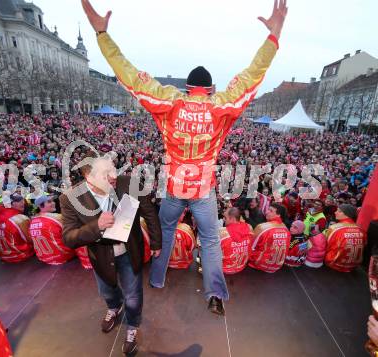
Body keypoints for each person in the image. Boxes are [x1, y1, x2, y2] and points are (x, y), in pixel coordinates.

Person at [80, 0, 288, 315]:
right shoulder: (222, 106)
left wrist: (102, 35)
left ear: (189, 88)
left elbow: (131, 77)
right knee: (210, 240)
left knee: (165, 230)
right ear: (209, 88)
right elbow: (251, 77)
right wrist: (273, 38)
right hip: (202, 190)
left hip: (175, 187)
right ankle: (215, 295)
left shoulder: (170, 103)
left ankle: (158, 280)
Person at [60, 152, 162, 355]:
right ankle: (114, 308)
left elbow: (149, 212)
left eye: (113, 169)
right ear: (89, 177)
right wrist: (95, 226)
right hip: (101, 255)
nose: (114, 176)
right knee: (107, 290)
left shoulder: (129, 183)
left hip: (129, 249)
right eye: (106, 173)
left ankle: (132, 326)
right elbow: (68, 238)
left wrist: (156, 242)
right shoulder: (70, 198)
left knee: (133, 296)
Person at [0, 193, 34, 263]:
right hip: (20, 256)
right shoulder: (20, 218)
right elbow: (32, 239)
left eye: (22, 200)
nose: (22, 202)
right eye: (18, 201)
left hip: (1, 256)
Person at [29, 195, 75, 265]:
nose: (53, 203)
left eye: (53, 201)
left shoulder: (32, 221)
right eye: (49, 202)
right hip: (64, 256)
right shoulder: (57, 217)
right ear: (41, 206)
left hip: (45, 259)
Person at [249, 203, 291, 273]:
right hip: (277, 267)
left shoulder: (262, 227)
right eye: (268, 209)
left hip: (259, 265)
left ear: (278, 215)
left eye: (271, 211)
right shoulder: (286, 229)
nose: (266, 212)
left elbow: (251, 247)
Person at [324, 204, 366, 272]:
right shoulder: (362, 231)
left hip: (334, 264)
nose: (335, 212)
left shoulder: (334, 228)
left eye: (339, 211)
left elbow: (326, 246)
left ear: (347, 214)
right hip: (353, 266)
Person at [220, 207, 253, 274]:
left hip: (224, 269)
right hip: (241, 267)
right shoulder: (249, 228)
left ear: (232, 219)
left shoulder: (221, 232)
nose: (223, 219)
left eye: (225, 218)